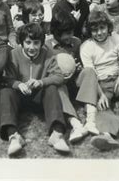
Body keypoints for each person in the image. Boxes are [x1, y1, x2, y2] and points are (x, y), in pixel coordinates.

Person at [0, 23, 70, 156]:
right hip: (19, 99)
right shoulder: (13, 54)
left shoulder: (48, 54)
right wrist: (18, 84)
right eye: (28, 42)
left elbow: (59, 77)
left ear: (42, 43)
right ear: (21, 42)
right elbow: (6, 79)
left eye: (36, 43)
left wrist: (41, 82)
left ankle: (57, 133)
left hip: (39, 99)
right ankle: (13, 136)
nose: (32, 47)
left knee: (52, 88)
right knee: (5, 92)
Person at [76, 10, 119, 151]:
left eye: (102, 28)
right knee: (103, 106)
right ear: (89, 31)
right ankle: (106, 134)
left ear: (108, 27)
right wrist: (100, 95)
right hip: (102, 83)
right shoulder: (87, 47)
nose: (99, 33)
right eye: (94, 30)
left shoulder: (115, 38)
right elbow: (91, 75)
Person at [46, 9, 88, 143]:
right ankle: (76, 123)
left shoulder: (76, 43)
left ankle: (92, 114)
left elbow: (81, 63)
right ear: (57, 32)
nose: (70, 36)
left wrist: (78, 67)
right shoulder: (46, 46)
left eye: (72, 32)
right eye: (67, 33)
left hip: (74, 82)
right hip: (59, 84)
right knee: (58, 86)